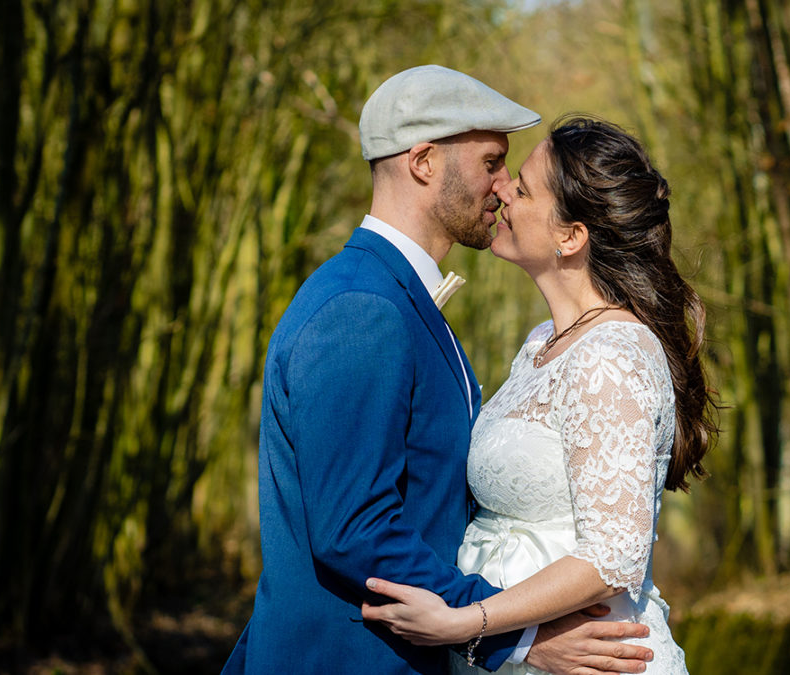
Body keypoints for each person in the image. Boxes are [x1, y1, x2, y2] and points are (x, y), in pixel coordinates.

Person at [221, 68, 656, 675]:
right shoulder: (362, 309)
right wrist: (515, 638)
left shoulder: (404, 305)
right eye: (491, 162)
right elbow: (354, 526)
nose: (504, 187)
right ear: (424, 162)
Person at [361, 117, 717, 674]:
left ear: (570, 236)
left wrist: (467, 621)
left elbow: (613, 555)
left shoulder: (611, 357)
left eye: (523, 188)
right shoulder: (540, 346)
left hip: (592, 659)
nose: (502, 189)